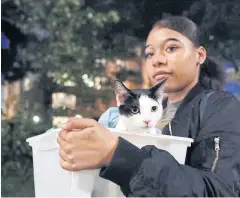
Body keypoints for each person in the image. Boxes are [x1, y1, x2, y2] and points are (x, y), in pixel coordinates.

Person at [57, 16, 240, 197]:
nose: (156, 60)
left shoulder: (220, 107)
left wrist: (120, 156)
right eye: (150, 53)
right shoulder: (140, 114)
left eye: (171, 48)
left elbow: (220, 192)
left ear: (199, 55)